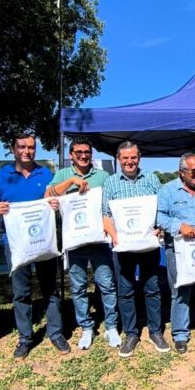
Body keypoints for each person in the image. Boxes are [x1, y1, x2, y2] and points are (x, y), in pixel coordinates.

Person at [0, 133, 69, 359]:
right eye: (22, 147)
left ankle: (56, 333)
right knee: (21, 292)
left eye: (31, 147)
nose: (27, 151)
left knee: (50, 289)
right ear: (13, 148)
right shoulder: (1, 176)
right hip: (15, 244)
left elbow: (52, 199)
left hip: (44, 241)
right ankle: (25, 338)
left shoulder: (45, 173)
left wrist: (53, 204)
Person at [46, 136, 121, 350]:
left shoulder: (103, 176)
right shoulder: (62, 175)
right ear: (71, 155)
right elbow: (47, 196)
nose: (82, 155)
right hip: (73, 242)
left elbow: (111, 203)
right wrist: (70, 182)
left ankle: (112, 326)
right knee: (78, 288)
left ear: (91, 154)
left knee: (107, 285)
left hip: (98, 241)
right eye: (78, 152)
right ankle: (86, 327)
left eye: (86, 152)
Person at [102, 141, 168, 357]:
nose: (129, 162)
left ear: (139, 158)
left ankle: (156, 331)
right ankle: (131, 333)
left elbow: (161, 209)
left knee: (152, 289)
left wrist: (158, 228)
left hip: (148, 245)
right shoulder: (110, 183)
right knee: (126, 291)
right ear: (119, 159)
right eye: (125, 158)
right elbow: (105, 214)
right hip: (123, 248)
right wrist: (114, 236)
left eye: (133, 157)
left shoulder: (151, 179)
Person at [157, 153, 195, 354]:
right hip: (178, 250)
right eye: (194, 171)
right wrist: (178, 226)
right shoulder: (167, 191)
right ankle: (180, 334)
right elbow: (159, 216)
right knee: (180, 292)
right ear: (181, 172)